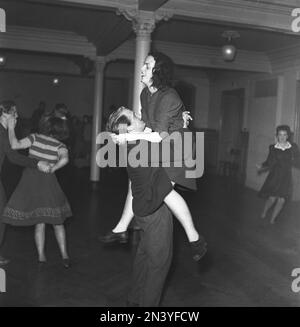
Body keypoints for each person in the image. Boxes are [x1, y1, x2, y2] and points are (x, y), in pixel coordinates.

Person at [101, 52, 207, 258]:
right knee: (140, 178)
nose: (141, 69)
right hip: (160, 141)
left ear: (158, 71)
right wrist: (127, 135)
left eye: (147, 66)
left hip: (177, 146)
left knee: (165, 190)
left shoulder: (169, 96)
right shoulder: (145, 94)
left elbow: (160, 134)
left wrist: (124, 138)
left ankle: (195, 239)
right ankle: (121, 229)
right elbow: (149, 126)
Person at [104, 106, 207, 261]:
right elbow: (179, 151)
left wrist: (179, 120)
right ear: (130, 128)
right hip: (149, 201)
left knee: (153, 187)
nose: (139, 115)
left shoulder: (133, 139)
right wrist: (184, 127)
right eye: (135, 116)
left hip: (145, 192)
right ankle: (195, 238)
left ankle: (121, 228)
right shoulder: (139, 147)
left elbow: (153, 133)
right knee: (168, 189)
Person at [2, 113, 72, 267]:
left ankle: (41, 256)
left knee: (39, 222)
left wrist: (11, 128)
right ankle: (65, 256)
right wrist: (54, 168)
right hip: (48, 183)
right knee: (57, 222)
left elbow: (15, 145)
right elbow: (65, 159)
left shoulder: (35, 138)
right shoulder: (60, 146)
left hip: (30, 181)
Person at [0, 100, 50, 265]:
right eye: (14, 113)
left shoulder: (3, 131)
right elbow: (13, 157)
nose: (17, 116)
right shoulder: (1, 132)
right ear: (5, 114)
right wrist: (37, 163)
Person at [257, 125, 300, 224]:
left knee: (282, 200)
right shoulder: (273, 148)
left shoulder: (293, 147)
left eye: (285, 134)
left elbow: (298, 160)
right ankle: (264, 211)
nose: (282, 137)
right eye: (280, 134)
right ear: (277, 135)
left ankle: (273, 219)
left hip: (286, 177)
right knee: (272, 199)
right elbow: (269, 161)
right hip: (275, 176)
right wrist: (262, 166)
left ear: (288, 136)